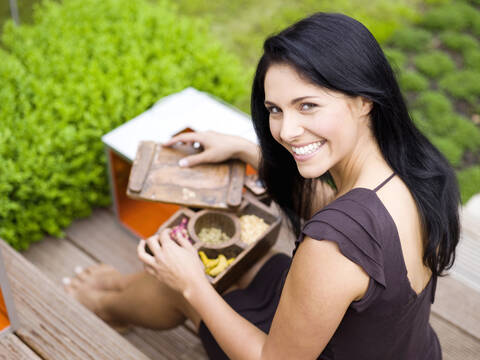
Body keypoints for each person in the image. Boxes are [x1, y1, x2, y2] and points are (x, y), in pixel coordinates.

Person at [64, 12, 460, 359]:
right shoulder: (416, 171)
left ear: (363, 100)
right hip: (401, 345)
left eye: (308, 105)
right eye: (275, 109)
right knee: (250, 263)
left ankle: (103, 306)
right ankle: (117, 289)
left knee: (188, 283)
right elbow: (361, 230)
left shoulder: (330, 245)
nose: (286, 131)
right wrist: (246, 151)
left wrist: (191, 285)